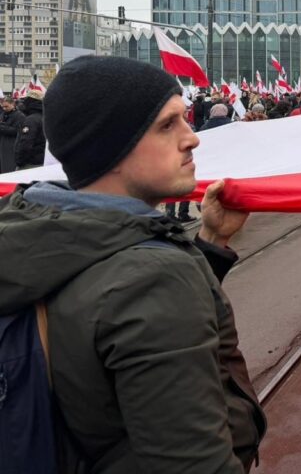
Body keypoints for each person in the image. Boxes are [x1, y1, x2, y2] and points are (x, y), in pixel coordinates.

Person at [0, 56, 265, 471]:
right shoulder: (154, 278)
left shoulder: (36, 229)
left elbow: (106, 318)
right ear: (112, 146)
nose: (191, 138)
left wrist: (211, 242)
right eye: (167, 125)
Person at [15, 89, 46, 170]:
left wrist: (20, 161)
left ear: (31, 102)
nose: (23, 103)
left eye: (26, 100)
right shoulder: (45, 117)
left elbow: (26, 143)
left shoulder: (31, 120)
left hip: (30, 163)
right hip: (42, 161)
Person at [0, 94, 26, 174]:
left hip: (11, 145)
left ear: (13, 104)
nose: (4, 109)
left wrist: (2, 127)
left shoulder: (20, 116)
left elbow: (17, 131)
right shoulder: (3, 114)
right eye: (3, 107)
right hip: (3, 143)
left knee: (9, 167)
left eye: (6, 106)